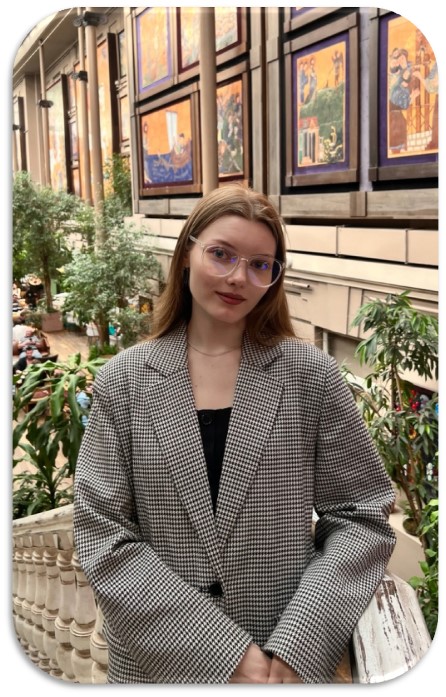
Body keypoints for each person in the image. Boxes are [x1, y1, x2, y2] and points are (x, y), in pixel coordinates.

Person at [74, 185, 396, 684]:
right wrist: (224, 655)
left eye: (260, 264)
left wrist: (300, 643)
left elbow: (362, 516)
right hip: (157, 665)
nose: (238, 278)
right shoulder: (125, 380)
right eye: (221, 254)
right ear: (187, 253)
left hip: (280, 659)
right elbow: (102, 530)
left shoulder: (310, 375)